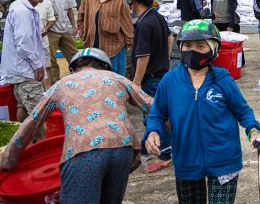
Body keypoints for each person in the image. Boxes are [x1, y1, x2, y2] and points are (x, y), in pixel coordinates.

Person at [0, 48, 152, 203]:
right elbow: (152, 105)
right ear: (106, 67)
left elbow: (31, 124)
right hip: (123, 149)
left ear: (72, 69)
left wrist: (8, 160)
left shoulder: (61, 85)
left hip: (83, 151)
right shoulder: (117, 78)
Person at [145, 20, 260, 204]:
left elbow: (243, 112)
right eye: (188, 45)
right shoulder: (170, 80)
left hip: (224, 160)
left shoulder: (223, 79)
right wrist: (153, 131)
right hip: (186, 160)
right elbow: (156, 114)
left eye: (201, 45)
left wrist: (254, 131)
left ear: (213, 49)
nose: (193, 50)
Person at [123, 0, 173, 170]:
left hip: (150, 79)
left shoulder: (144, 24)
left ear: (133, 0)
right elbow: (170, 37)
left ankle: (165, 154)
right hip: (160, 74)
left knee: (157, 116)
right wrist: (165, 60)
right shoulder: (157, 17)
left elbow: (143, 57)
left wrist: (135, 84)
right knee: (154, 115)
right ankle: (144, 150)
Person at [0, 0, 49, 122]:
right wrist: (37, 64)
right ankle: (40, 143)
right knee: (38, 116)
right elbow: (24, 43)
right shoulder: (23, 11)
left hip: (21, 70)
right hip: (26, 71)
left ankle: (22, 142)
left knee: (23, 107)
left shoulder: (24, 8)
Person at [77, 0, 134, 76]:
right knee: (95, 78)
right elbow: (80, 18)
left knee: (114, 78)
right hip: (92, 47)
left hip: (114, 48)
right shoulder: (88, 0)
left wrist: (129, 42)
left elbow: (127, 23)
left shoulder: (118, 0)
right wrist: (83, 34)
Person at [43, 0, 79, 83]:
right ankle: (55, 85)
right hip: (51, 30)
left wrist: (74, 26)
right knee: (51, 60)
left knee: (74, 55)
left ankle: (79, 79)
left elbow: (69, 9)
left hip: (64, 29)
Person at [35, 0, 56, 89]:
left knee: (46, 67)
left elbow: (51, 20)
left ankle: (48, 93)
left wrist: (46, 29)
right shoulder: (19, 6)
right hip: (27, 43)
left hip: (43, 40)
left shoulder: (46, 2)